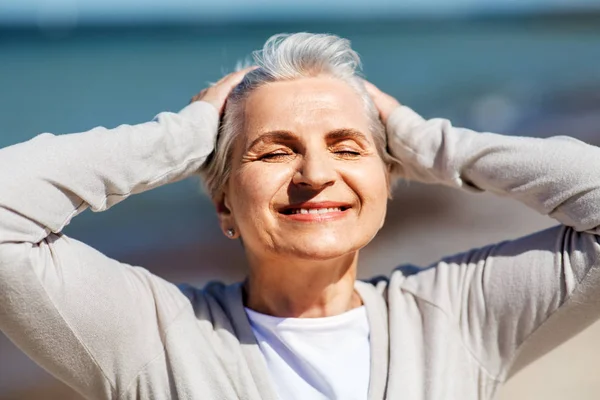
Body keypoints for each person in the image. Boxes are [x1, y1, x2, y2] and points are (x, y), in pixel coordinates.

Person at [1, 32, 599, 400]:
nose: (316, 174)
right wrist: (181, 140)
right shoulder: (152, 336)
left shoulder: (458, 314)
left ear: (388, 185)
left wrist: (431, 144)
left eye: (347, 148)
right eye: (275, 149)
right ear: (223, 203)